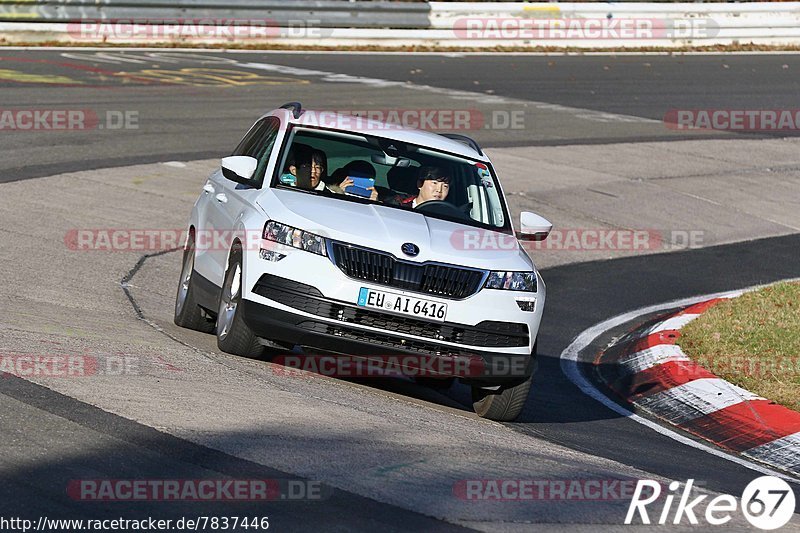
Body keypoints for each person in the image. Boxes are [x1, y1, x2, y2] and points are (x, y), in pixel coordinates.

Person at [385, 166, 450, 208]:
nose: (439, 190)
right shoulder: (396, 204)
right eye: (434, 183)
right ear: (420, 184)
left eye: (445, 186)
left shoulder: (449, 215)